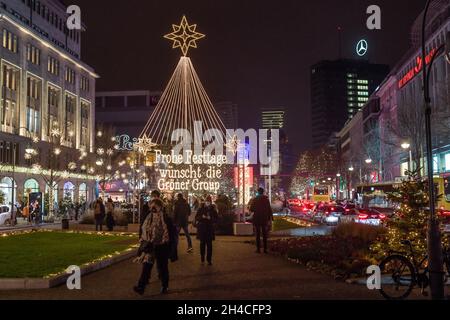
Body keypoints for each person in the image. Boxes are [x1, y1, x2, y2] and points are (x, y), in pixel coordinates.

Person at [133, 199, 177, 295]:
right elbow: (143, 228)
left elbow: (172, 233)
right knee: (146, 267)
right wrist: (142, 239)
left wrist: (172, 248)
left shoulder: (165, 218)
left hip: (162, 245)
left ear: (160, 207)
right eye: (151, 206)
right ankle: (141, 287)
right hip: (150, 246)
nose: (152, 208)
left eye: (155, 206)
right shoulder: (148, 217)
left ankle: (165, 286)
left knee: (162, 267)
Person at [194, 196, 218, 265]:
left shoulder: (213, 210)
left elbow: (216, 219)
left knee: (209, 245)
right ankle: (202, 257)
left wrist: (210, 218)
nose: (208, 203)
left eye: (209, 202)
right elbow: (197, 217)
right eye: (207, 201)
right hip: (202, 229)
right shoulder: (201, 209)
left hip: (209, 229)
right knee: (202, 244)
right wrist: (202, 217)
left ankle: (209, 259)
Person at [249, 188, 273, 254]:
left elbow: (251, 209)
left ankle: (258, 249)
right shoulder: (266, 199)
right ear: (263, 192)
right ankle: (265, 249)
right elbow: (269, 209)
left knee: (258, 234)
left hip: (257, 218)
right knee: (264, 234)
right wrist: (270, 218)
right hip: (264, 218)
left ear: (258, 192)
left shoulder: (255, 199)